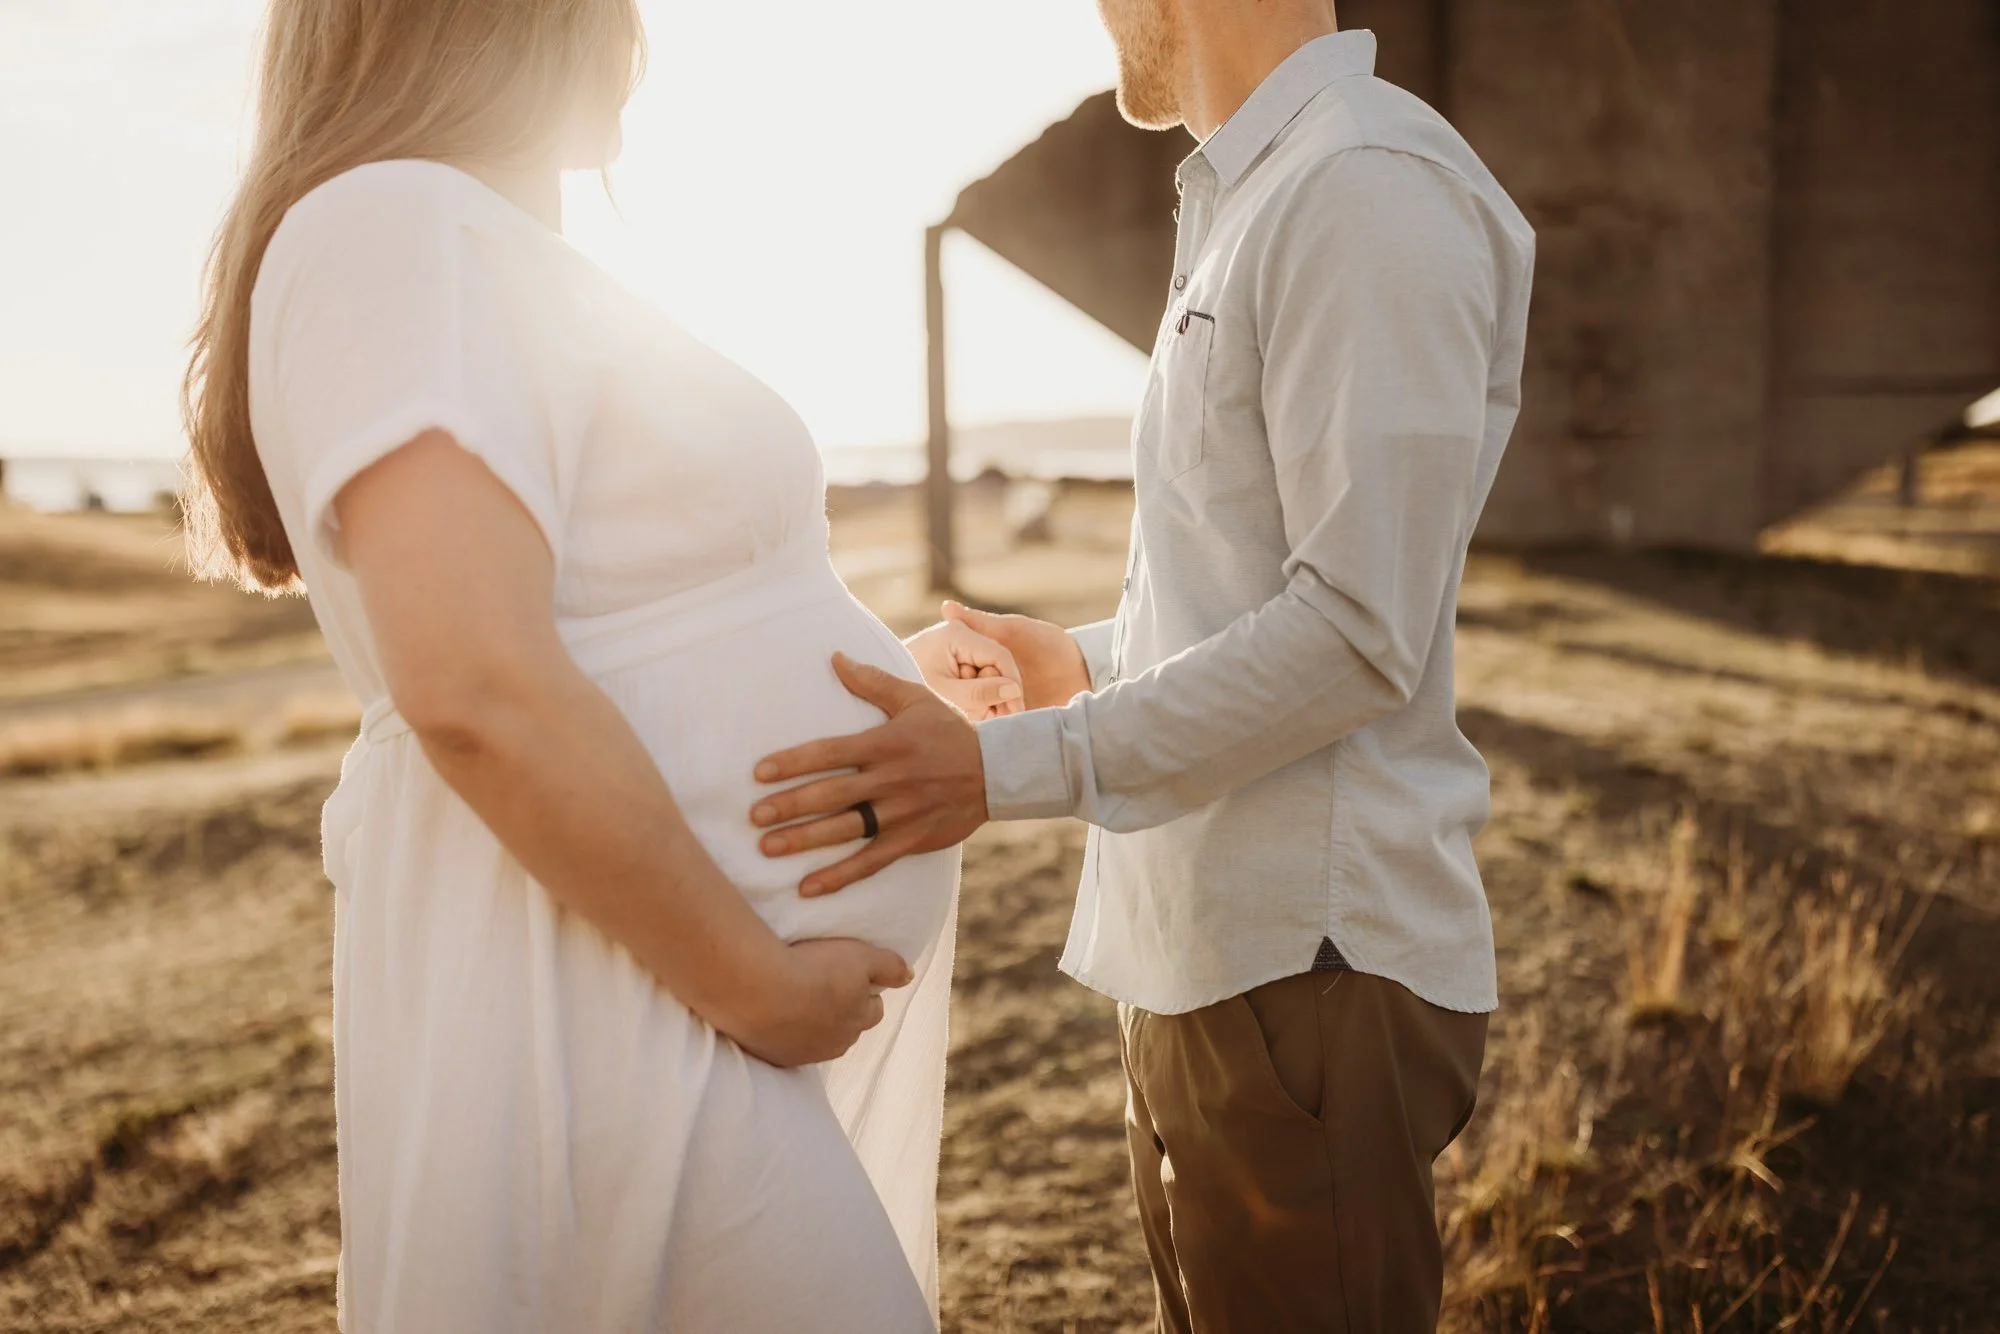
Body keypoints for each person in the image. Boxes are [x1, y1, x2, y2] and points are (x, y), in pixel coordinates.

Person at [180, 2, 999, 1329]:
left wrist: (863, 683)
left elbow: (590, 637)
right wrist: (758, 981)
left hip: (652, 980)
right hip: (614, 996)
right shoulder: (398, 225)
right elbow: (474, 685)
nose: (636, 39)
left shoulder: (461, 245)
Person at [752, 1, 1536, 1329]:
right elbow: (1263, 594)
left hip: (1306, 975)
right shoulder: (1265, 191)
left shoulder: (1363, 190)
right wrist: (1079, 665)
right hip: (1213, 961)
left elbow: (1356, 633)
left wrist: (1002, 769)